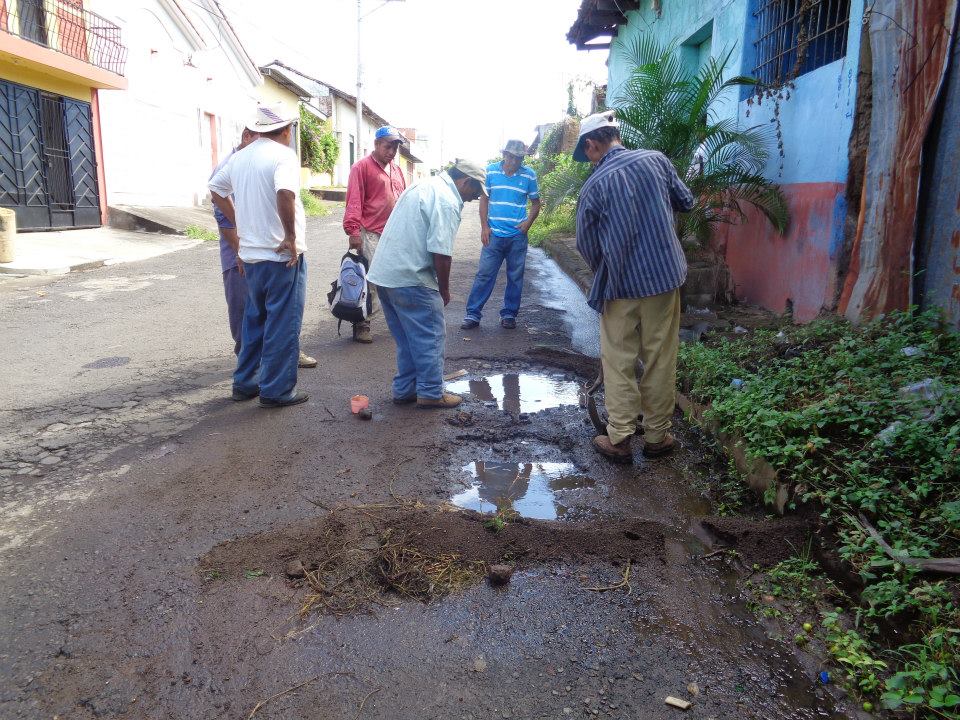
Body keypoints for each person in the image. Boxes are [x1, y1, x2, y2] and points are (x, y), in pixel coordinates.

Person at [574, 110, 694, 462]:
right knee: (660, 356)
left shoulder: (593, 186)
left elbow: (586, 243)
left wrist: (605, 269)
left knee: (619, 360)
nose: (589, 162)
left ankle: (621, 437)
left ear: (593, 144)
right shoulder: (656, 160)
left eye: (588, 155)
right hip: (664, 278)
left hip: (621, 285)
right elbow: (686, 201)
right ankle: (657, 437)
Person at [209, 104, 309, 408]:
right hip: (280, 256)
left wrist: (241, 223)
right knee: (282, 322)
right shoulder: (283, 156)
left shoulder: (240, 157)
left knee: (255, 319)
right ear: (287, 129)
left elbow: (215, 189)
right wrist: (290, 236)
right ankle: (277, 390)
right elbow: (285, 193)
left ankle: (245, 382)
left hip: (251, 255)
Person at [367, 159, 487, 409]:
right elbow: (441, 252)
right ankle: (431, 392)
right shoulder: (446, 199)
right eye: (475, 191)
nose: (474, 198)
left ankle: (405, 390)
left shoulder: (424, 185)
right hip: (411, 277)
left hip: (386, 275)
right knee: (430, 335)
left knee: (408, 339)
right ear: (465, 181)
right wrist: (443, 290)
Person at [461, 139, 541, 330]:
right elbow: (484, 200)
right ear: (504, 154)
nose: (513, 161)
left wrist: (527, 224)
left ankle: (509, 314)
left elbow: (536, 203)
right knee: (484, 275)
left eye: (518, 158)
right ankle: (473, 314)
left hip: (517, 237)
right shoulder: (491, 172)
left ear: (522, 158)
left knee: (515, 276)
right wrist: (484, 227)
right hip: (494, 234)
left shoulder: (529, 175)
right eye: (510, 156)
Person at [342, 126, 407, 344]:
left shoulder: (396, 170)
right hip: (369, 232)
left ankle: (395, 319)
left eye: (396, 147)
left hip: (393, 233)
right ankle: (362, 324)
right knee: (368, 280)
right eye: (388, 146)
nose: (392, 151)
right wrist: (353, 232)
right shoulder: (361, 168)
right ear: (377, 144)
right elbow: (354, 201)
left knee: (394, 279)